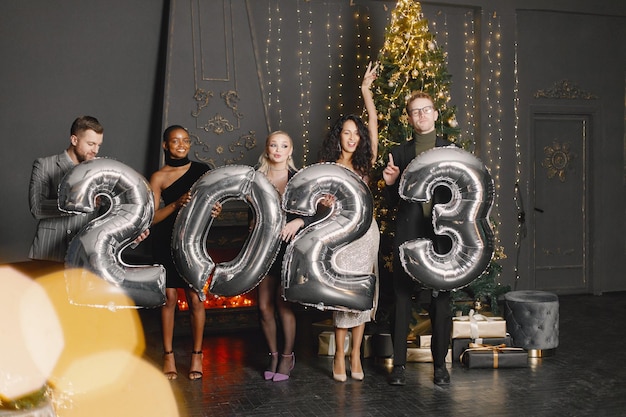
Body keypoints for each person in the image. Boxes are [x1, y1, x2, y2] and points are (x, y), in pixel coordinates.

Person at [382, 91, 455, 386]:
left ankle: (440, 367)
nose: (422, 115)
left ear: (436, 114)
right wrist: (389, 184)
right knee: (401, 298)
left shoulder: (451, 150)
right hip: (408, 234)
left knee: (442, 302)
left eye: (426, 110)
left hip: (442, 237)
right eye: (415, 111)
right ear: (409, 118)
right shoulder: (399, 153)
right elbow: (391, 203)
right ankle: (398, 366)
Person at [318, 62, 380, 382]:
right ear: (338, 136)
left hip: (366, 233)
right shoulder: (326, 165)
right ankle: (338, 356)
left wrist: (365, 91)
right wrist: (323, 201)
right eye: (347, 132)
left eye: (356, 134)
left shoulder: (365, 163)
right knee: (342, 295)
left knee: (362, 294)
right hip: (339, 233)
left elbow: (373, 122)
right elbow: (314, 198)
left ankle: (356, 355)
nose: (353, 138)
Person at [149, 124, 221, 381]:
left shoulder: (203, 171)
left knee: (195, 299)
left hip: (192, 243)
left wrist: (215, 211)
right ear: (165, 146)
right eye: (175, 141)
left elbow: (212, 203)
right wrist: (176, 204)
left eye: (185, 141)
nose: (181, 145)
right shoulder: (158, 177)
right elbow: (152, 218)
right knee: (168, 299)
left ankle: (197, 355)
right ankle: (168, 355)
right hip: (164, 242)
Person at [255, 130, 313, 382]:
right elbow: (253, 212)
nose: (278, 149)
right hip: (263, 247)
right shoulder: (256, 177)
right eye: (273, 145)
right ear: (267, 149)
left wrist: (297, 221)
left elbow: (313, 212)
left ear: (290, 151)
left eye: (284, 145)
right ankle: (273, 354)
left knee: (283, 303)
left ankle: (288, 356)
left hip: (290, 246)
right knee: (263, 306)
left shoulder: (299, 178)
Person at [29, 116, 106, 262]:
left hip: (83, 256)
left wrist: (133, 236)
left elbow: (106, 214)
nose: (95, 150)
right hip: (48, 252)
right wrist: (79, 202)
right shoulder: (44, 165)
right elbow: (37, 208)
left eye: (98, 145)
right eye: (91, 144)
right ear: (74, 140)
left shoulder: (101, 171)